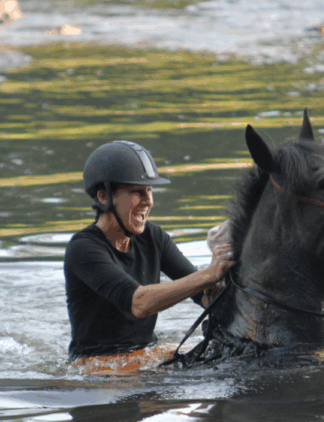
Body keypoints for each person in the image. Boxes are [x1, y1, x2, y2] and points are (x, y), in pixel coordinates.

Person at [64, 141, 234, 361]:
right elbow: (139, 303)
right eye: (137, 192)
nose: (149, 202)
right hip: (96, 364)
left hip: (145, 353)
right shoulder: (83, 248)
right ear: (104, 197)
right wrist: (209, 274)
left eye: (150, 191)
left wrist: (217, 289)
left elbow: (202, 292)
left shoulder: (153, 237)